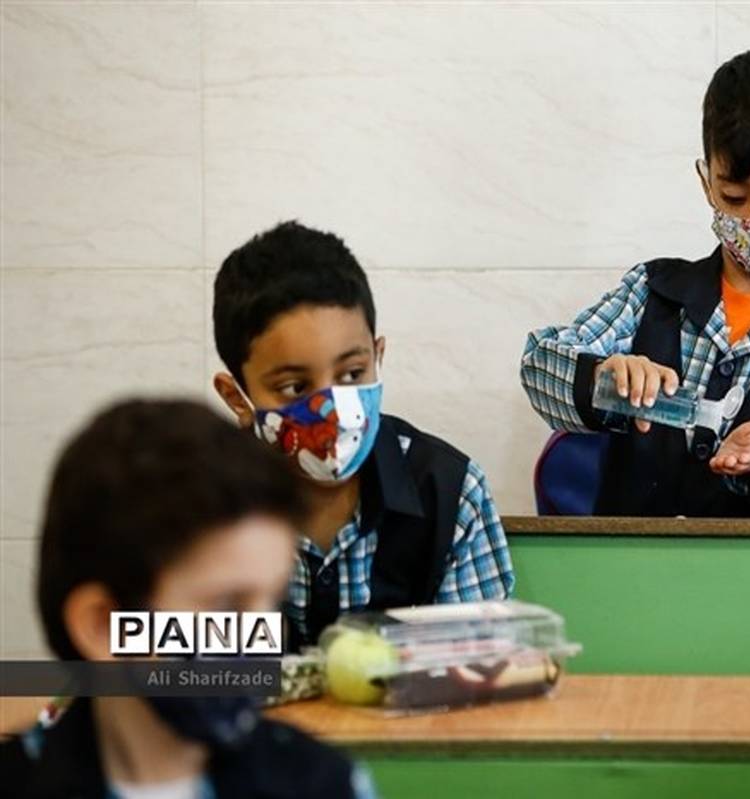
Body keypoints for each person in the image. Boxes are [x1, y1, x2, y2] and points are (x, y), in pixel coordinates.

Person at [520, 45, 750, 517]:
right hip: (630, 556)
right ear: (708, 182)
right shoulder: (652, 290)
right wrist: (604, 376)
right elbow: (540, 364)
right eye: (734, 195)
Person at [2, 399, 375, 798]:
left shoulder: (322, 783)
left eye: (270, 603)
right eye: (227, 605)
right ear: (103, 626)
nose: (262, 638)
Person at [212, 221, 513, 648]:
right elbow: (164, 667)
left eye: (353, 374)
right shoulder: (199, 506)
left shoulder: (451, 493)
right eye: (295, 387)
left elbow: (480, 664)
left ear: (378, 356)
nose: (331, 408)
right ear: (237, 397)